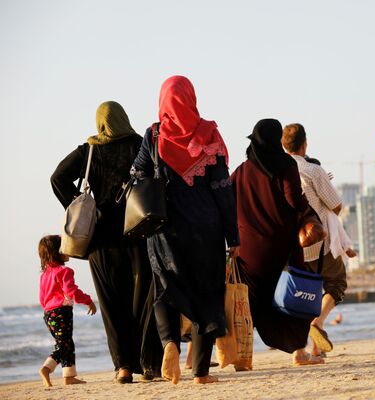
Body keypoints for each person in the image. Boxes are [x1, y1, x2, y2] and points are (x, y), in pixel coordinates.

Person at [132, 76, 239, 385]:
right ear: (191, 97)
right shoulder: (209, 134)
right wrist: (233, 236)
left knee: (166, 289)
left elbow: (137, 173)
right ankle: (202, 373)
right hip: (206, 229)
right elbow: (222, 188)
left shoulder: (153, 134)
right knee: (207, 294)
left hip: (166, 229)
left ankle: (169, 345)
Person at [51, 101, 163, 383]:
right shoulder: (141, 144)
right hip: (139, 232)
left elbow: (57, 178)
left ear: (100, 123)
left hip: (101, 241)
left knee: (112, 304)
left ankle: (123, 367)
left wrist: (78, 204)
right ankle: (149, 364)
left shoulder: (89, 150)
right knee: (145, 300)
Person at [231, 118, 322, 366]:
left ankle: (242, 357)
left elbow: (227, 202)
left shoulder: (240, 171)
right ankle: (298, 353)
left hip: (248, 251)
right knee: (292, 296)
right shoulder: (285, 165)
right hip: (281, 247)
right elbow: (293, 200)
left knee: (251, 304)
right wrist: (308, 211)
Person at [282, 123, 354, 356]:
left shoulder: (276, 173)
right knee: (335, 284)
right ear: (305, 144)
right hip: (318, 243)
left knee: (299, 296)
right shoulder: (313, 171)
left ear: (284, 146)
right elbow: (336, 205)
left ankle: (301, 351)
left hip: (290, 247)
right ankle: (319, 323)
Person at [38, 235, 97, 387]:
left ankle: (69, 376)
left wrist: (48, 311)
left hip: (48, 313)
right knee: (64, 345)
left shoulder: (45, 275)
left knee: (66, 343)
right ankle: (46, 368)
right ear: (58, 252)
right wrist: (88, 300)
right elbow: (72, 292)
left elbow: (42, 298)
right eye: (66, 247)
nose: (70, 251)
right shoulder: (64, 271)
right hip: (61, 312)